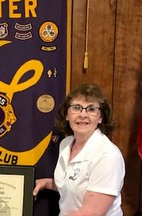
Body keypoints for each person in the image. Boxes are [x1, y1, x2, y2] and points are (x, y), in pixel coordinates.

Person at [33, 83, 125, 215]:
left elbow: (90, 212)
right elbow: (72, 184)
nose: (83, 115)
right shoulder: (66, 144)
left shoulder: (108, 156)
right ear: (66, 114)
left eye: (91, 109)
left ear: (100, 117)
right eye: (76, 108)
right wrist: (46, 184)